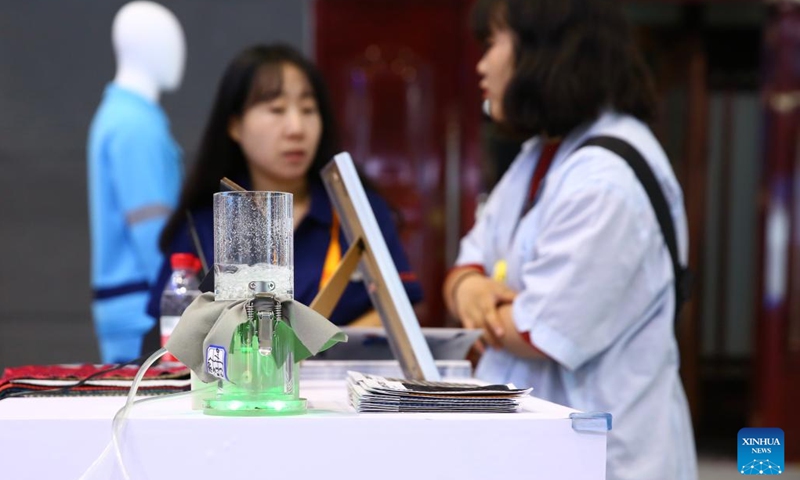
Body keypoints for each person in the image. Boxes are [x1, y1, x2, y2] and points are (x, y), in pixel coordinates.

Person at [442, 1, 697, 479]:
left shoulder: (605, 178)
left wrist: (481, 300)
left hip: (608, 454)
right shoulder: (541, 153)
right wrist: (468, 288)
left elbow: (540, 333)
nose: (481, 65)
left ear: (543, 50)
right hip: (537, 446)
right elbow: (466, 263)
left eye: (491, 43)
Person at [146, 44, 422, 333]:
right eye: (276, 109)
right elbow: (172, 324)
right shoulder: (202, 223)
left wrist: (316, 350)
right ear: (235, 126)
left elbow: (401, 310)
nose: (296, 128)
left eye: (308, 109)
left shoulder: (360, 212)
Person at [87, 1, 186, 363]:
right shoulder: (135, 125)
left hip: (129, 304)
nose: (180, 53)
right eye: (171, 41)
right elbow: (152, 231)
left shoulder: (121, 116)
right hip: (144, 309)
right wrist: (180, 301)